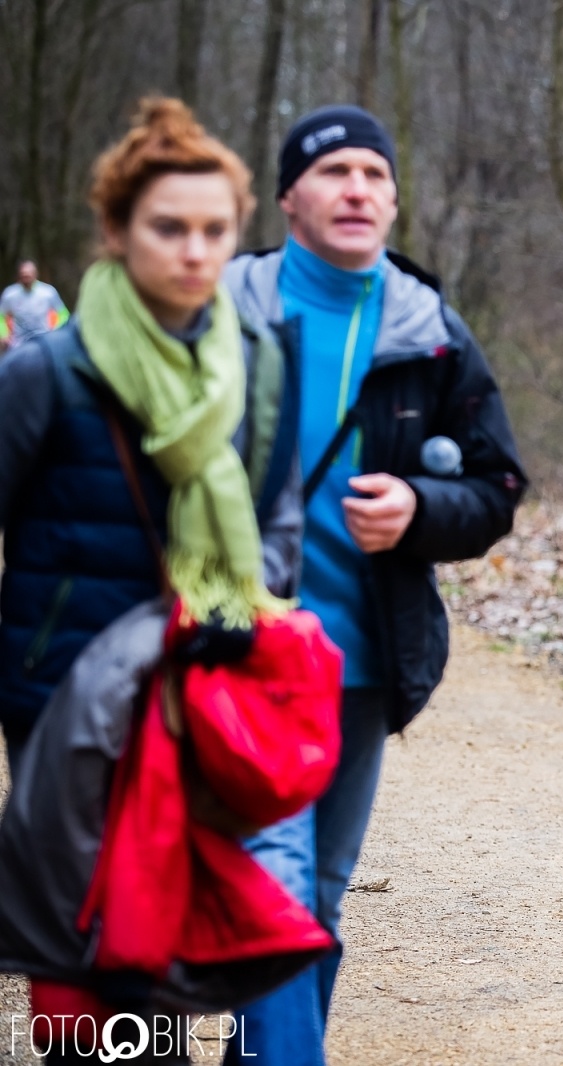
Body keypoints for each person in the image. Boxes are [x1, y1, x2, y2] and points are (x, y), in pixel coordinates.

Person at [221, 104, 526, 1064]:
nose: (358, 189)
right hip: (223, 649)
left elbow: (497, 483)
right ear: (287, 197)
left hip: (356, 663)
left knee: (312, 895)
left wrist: (419, 508)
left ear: (394, 200)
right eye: (334, 171)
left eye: (375, 175)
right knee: (253, 889)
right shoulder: (215, 307)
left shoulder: (428, 328)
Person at [0, 97, 302, 1061]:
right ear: (116, 231)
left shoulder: (257, 361)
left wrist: (247, 616)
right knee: (81, 940)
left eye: (215, 229)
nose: (194, 250)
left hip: (195, 691)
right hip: (62, 698)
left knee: (162, 930)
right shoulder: (46, 371)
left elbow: (276, 514)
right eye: (168, 227)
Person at [1, 260, 71, 351]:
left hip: (43, 341)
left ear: (35, 274)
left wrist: (56, 332)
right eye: (23, 275)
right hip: (18, 344)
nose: (26, 278)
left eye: (28, 275)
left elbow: (64, 314)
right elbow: (1, 316)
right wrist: (3, 334)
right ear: (19, 275)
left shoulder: (48, 292)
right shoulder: (10, 294)